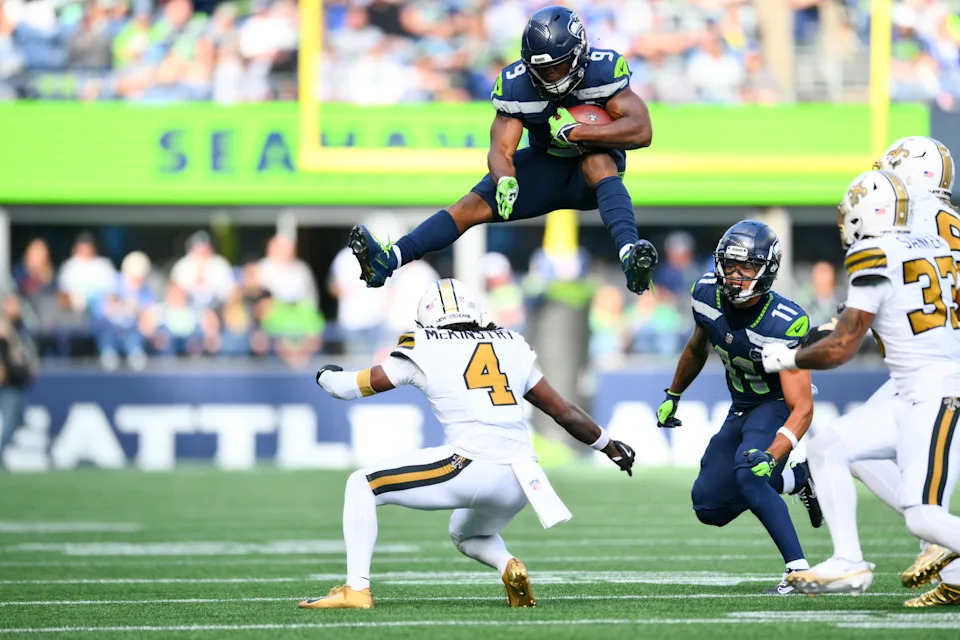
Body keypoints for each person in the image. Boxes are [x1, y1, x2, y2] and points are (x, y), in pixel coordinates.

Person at [299, 278, 635, 609]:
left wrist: (326, 375)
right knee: (467, 533)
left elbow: (358, 385)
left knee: (362, 484)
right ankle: (508, 565)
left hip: (470, 463)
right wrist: (610, 447)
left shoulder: (423, 343)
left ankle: (357, 589)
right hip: (522, 478)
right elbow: (564, 412)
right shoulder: (509, 342)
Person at [763, 147, 960, 607]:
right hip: (918, 381)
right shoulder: (940, 239)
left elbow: (843, 346)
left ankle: (941, 547)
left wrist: (790, 357)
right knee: (829, 445)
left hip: (937, 387)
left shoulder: (879, 247)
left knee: (923, 515)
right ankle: (848, 560)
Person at [347, 6, 658, 296]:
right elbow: (500, 150)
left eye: (557, 66)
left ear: (578, 55)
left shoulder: (602, 71)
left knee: (598, 161)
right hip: (545, 165)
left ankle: (630, 257)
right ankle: (388, 260)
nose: (550, 76)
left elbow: (642, 131)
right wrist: (505, 178)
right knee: (469, 206)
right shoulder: (516, 85)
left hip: (590, 175)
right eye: (541, 69)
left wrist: (580, 133)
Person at [657, 220, 822, 595]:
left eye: (746, 267)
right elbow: (697, 346)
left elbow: (803, 408)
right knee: (709, 506)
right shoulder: (705, 294)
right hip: (742, 406)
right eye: (730, 265)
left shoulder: (784, 323)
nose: (735, 275)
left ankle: (799, 574)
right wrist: (673, 394)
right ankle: (798, 479)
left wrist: (774, 452)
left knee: (750, 474)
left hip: (777, 404)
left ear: (767, 269)